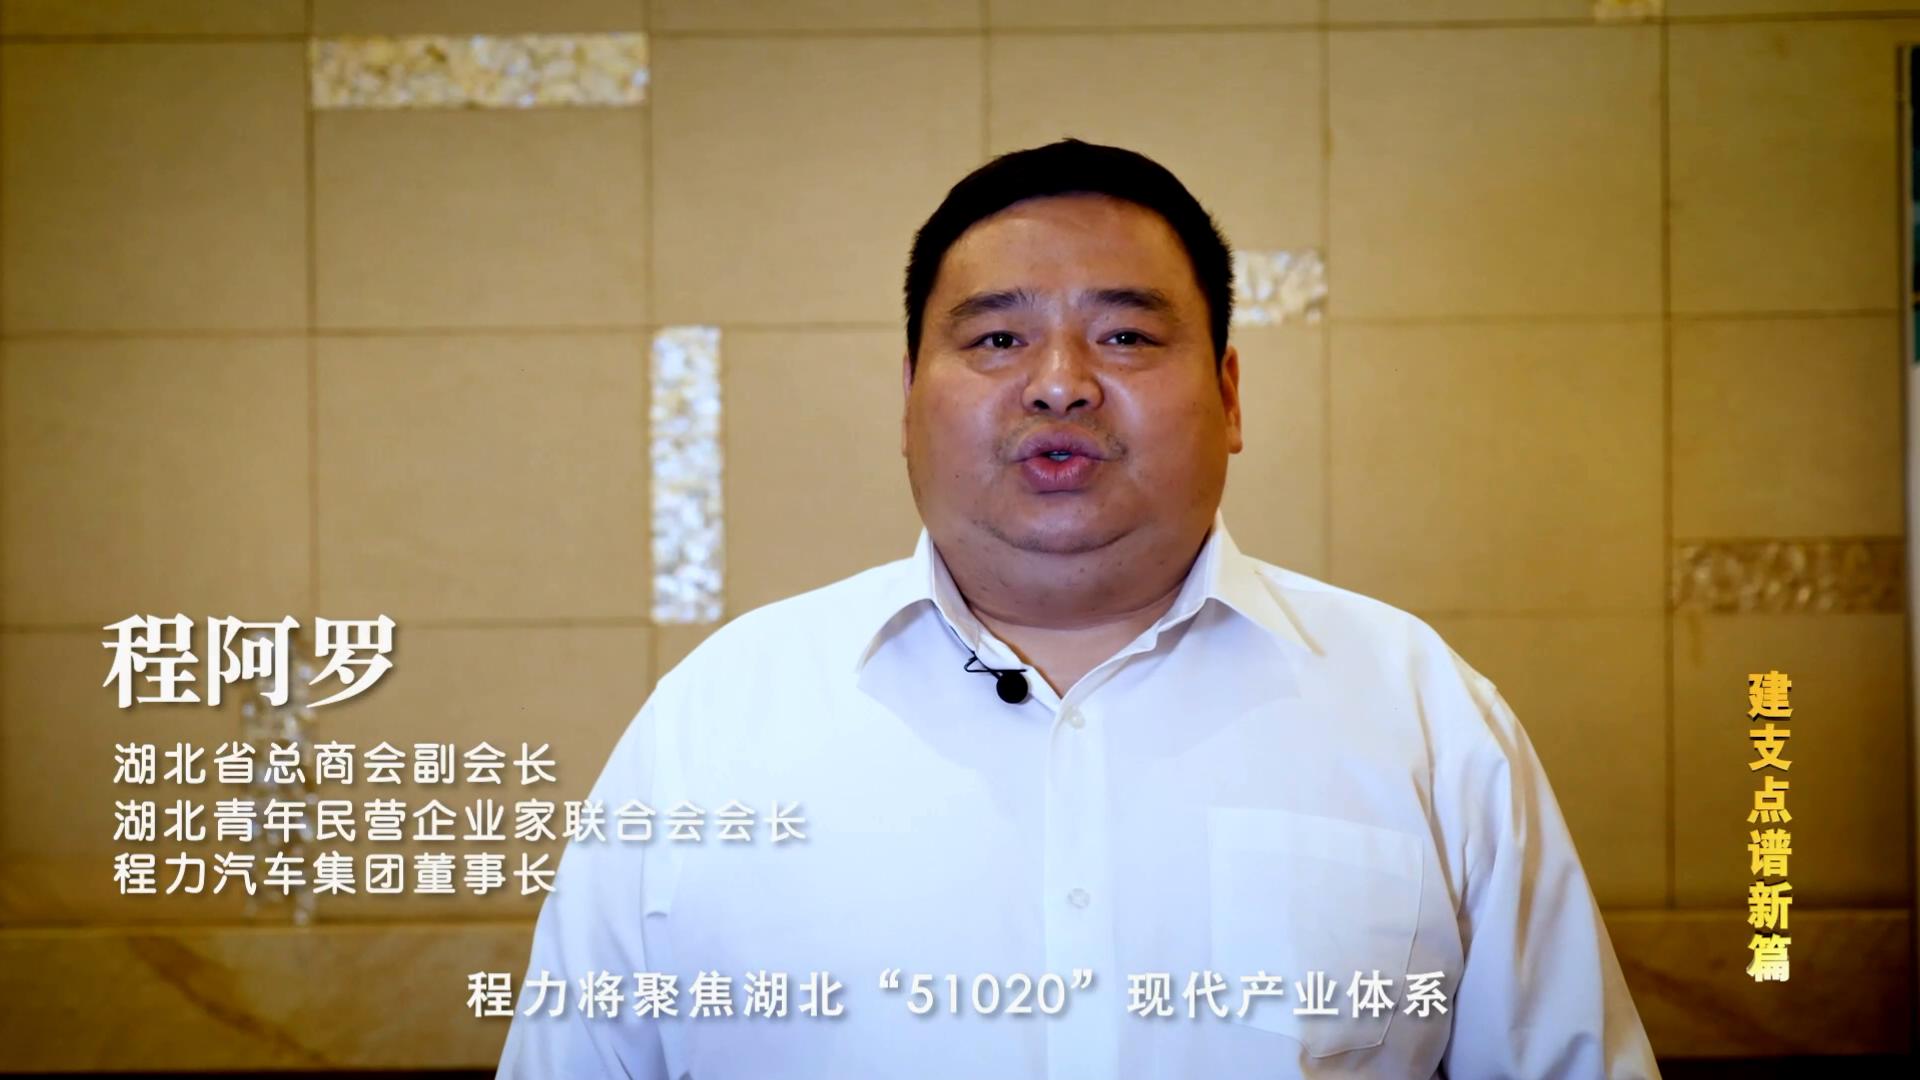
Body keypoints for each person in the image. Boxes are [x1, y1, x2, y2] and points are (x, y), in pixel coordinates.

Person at [497, 139, 1660, 1078]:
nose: (1060, 382)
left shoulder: (1421, 711)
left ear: (1230, 394)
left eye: (1127, 336)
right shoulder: (714, 722)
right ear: (908, 398)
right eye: (998, 338)